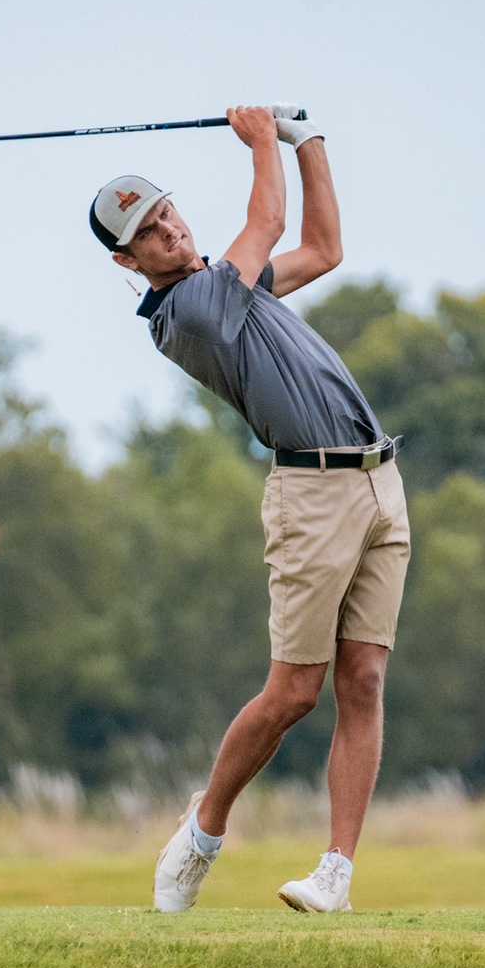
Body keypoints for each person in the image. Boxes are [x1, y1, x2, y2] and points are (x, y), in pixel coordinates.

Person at [90, 104, 408, 914]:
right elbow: (265, 219)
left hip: (378, 483)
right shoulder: (192, 310)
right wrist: (261, 136)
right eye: (151, 233)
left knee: (363, 679)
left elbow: (324, 249)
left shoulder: (227, 285)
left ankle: (335, 872)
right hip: (310, 496)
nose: (171, 229)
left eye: (167, 212)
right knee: (294, 693)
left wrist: (309, 144)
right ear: (129, 260)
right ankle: (201, 832)